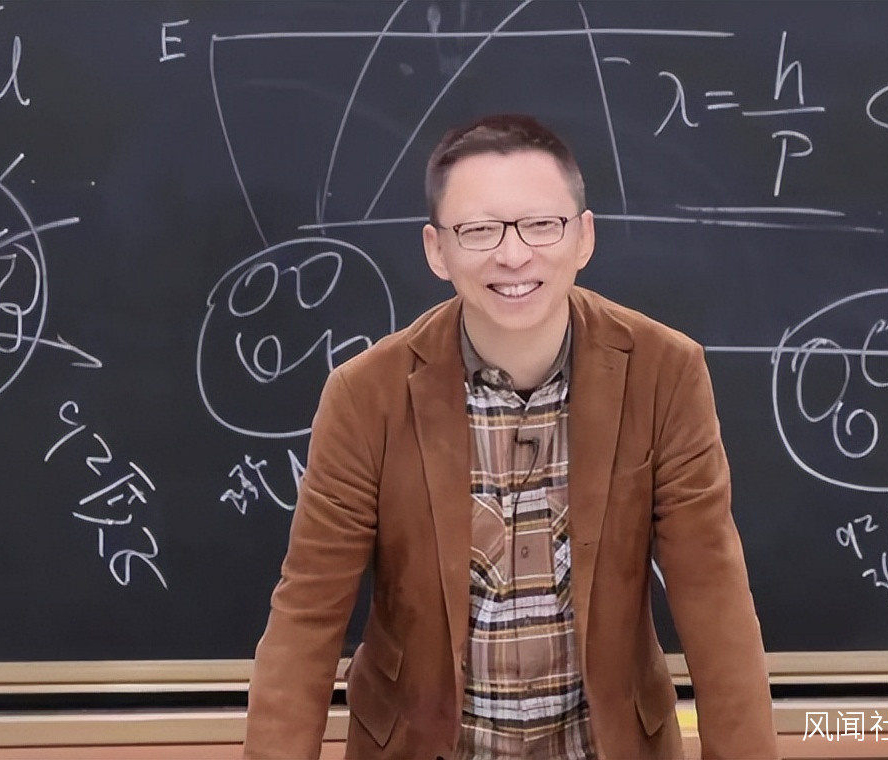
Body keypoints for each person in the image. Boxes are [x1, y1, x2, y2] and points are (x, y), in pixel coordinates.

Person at [243, 114, 776, 759]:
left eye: (541, 224)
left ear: (584, 237)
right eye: (479, 230)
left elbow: (714, 597)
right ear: (436, 250)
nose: (514, 254)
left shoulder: (665, 372)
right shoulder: (366, 396)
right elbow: (306, 616)